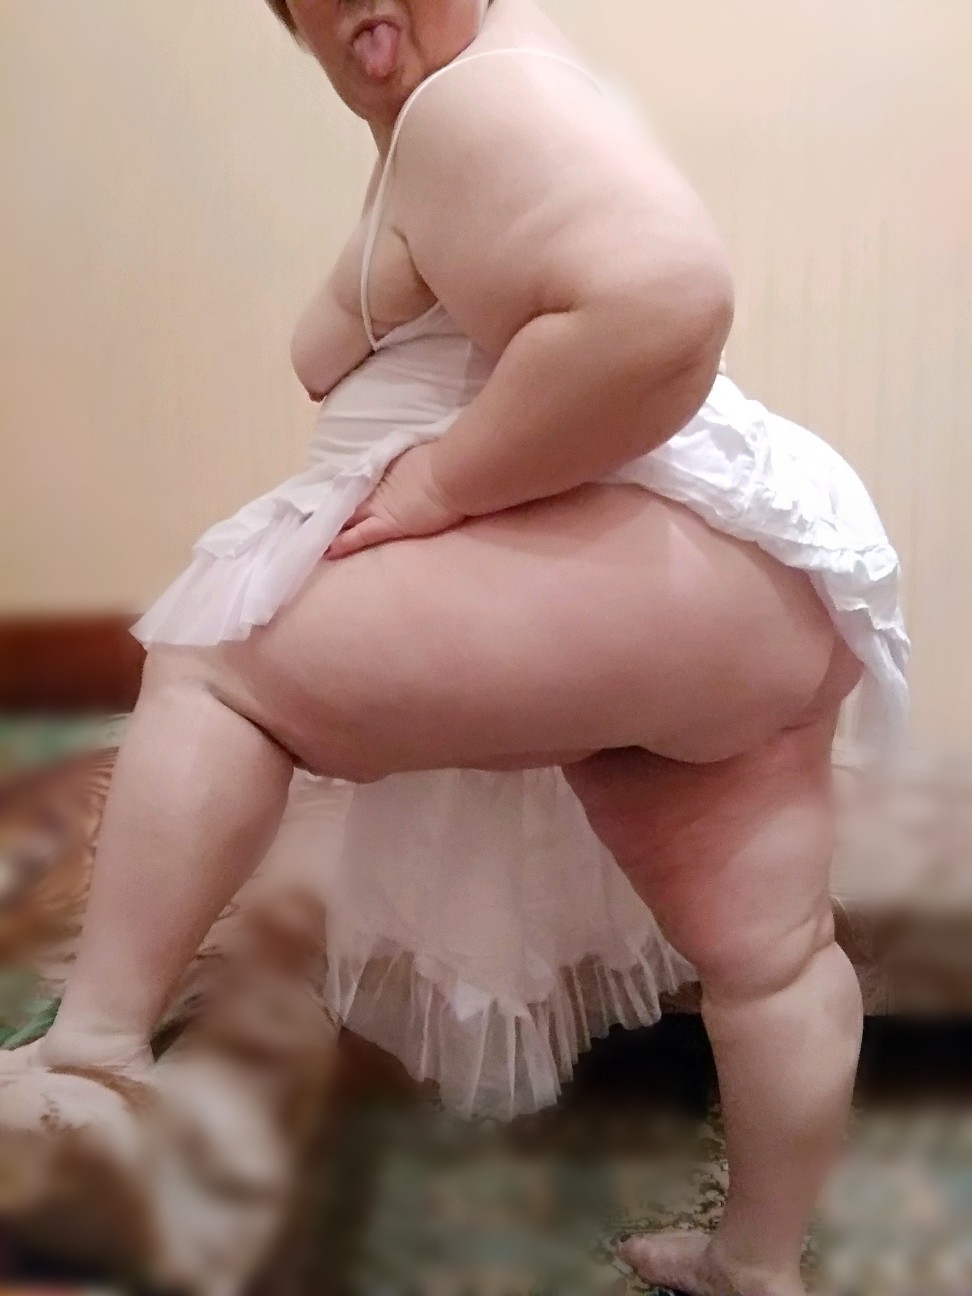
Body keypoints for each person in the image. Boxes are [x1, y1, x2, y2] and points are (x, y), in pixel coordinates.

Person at [3, 1, 909, 1292]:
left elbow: (662, 299)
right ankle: (756, 1265)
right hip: (757, 593)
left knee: (214, 658)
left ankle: (90, 1050)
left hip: (664, 558)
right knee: (771, 958)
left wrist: (441, 483)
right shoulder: (479, 101)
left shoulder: (472, 98)